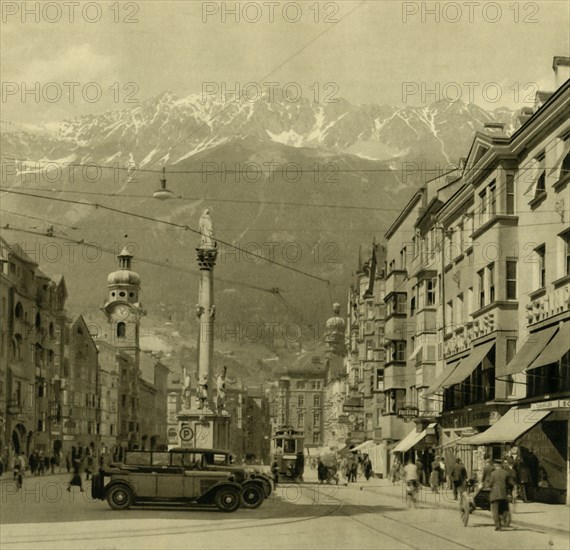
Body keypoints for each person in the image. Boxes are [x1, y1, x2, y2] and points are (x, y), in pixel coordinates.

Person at [489, 460, 514, 531]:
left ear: (495, 465)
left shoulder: (493, 473)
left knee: (495, 511)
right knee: (504, 509)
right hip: (504, 494)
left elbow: (490, 484)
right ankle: (505, 521)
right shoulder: (506, 473)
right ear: (501, 465)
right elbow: (510, 483)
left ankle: (498, 526)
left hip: (495, 494)